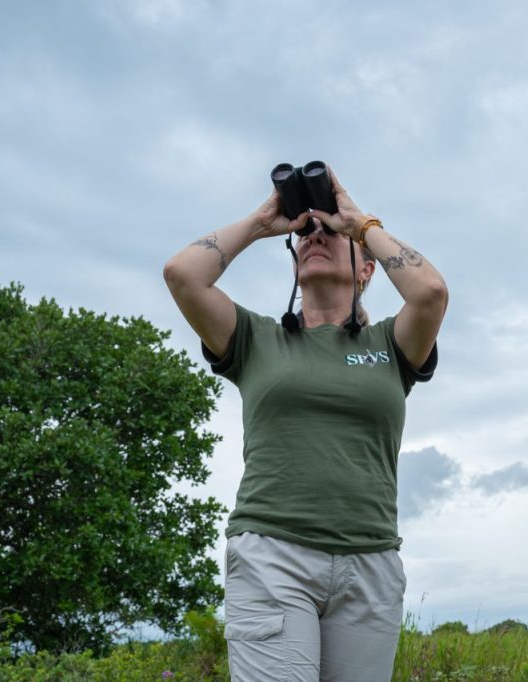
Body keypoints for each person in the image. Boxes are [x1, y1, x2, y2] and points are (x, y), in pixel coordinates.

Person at [163, 164, 447, 681]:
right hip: (274, 554)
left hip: (370, 562)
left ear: (367, 271)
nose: (315, 235)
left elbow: (430, 292)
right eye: (306, 235)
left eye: (329, 234)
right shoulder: (256, 339)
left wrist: (356, 221)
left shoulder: (390, 343)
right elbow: (183, 274)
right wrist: (263, 220)